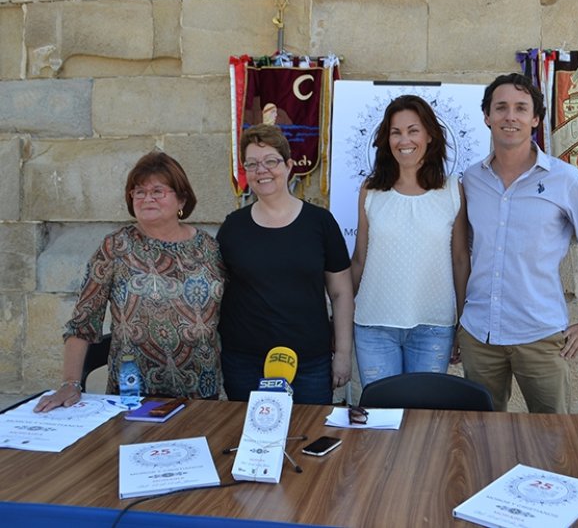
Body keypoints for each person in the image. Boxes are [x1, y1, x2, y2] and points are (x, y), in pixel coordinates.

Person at [458, 73, 578, 414]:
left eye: (521, 108)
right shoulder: (471, 180)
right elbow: (463, 253)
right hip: (479, 335)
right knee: (480, 432)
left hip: (540, 336)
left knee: (553, 434)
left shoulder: (565, 180)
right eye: (501, 108)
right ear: (487, 116)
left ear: (535, 119)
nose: (510, 116)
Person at [34, 152, 226, 412]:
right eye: (139, 192)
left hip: (202, 394)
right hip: (133, 395)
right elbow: (82, 323)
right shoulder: (116, 247)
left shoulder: (209, 247)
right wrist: (70, 383)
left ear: (182, 199)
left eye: (157, 191)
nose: (147, 198)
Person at [217, 124, 353, 404]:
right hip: (245, 363)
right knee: (246, 432)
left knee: (310, 430)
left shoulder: (320, 223)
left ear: (289, 166)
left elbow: (341, 293)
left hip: (309, 363)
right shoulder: (233, 227)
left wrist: (342, 353)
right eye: (252, 164)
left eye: (271, 161)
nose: (262, 170)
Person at [350, 95, 470, 388]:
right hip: (374, 326)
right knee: (381, 413)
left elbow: (460, 260)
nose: (404, 140)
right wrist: (337, 319)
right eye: (396, 132)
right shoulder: (371, 190)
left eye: (413, 130)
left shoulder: (452, 190)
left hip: (434, 327)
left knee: (423, 413)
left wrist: (463, 324)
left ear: (429, 135)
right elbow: (360, 258)